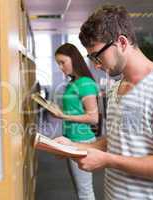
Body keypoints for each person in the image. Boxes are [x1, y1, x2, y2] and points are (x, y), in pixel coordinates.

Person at [55, 5, 153, 200]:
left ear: (121, 42)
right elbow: (118, 140)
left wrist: (108, 160)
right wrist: (74, 147)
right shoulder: (116, 88)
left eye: (98, 55)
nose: (95, 64)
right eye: (91, 57)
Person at [53, 43, 99, 200]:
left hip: (82, 140)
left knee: (85, 191)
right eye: (58, 63)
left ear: (73, 59)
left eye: (62, 62)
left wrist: (64, 116)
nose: (60, 67)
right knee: (80, 189)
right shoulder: (73, 83)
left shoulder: (85, 83)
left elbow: (93, 117)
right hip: (71, 138)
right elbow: (73, 109)